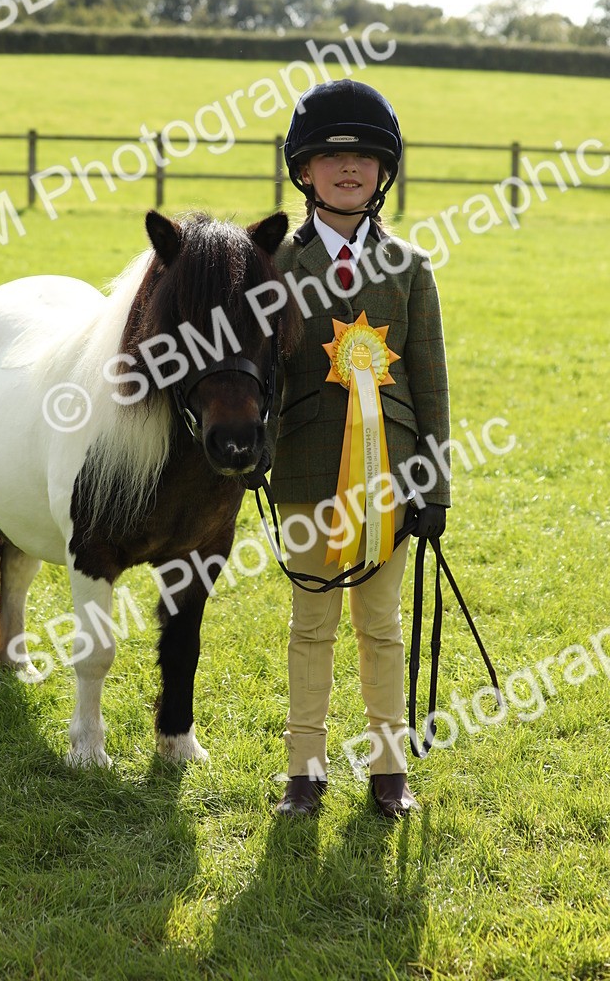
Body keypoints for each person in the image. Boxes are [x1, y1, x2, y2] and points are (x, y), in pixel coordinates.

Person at [267, 78, 450, 819]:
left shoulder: (410, 269)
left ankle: (389, 769)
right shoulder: (276, 265)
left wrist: (434, 487)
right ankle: (304, 773)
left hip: (391, 478)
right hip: (310, 468)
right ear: (304, 171)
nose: (350, 168)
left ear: (384, 173)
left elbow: (432, 386)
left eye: (365, 158)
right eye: (332, 157)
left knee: (381, 625)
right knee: (311, 625)